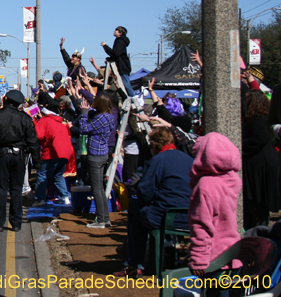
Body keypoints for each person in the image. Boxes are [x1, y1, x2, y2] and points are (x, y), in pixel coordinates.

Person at [114, 127, 193, 277]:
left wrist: (137, 185)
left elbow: (145, 193)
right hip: (192, 216)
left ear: (155, 146)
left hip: (167, 217)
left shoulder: (158, 160)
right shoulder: (189, 159)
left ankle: (132, 264)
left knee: (136, 207)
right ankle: (151, 258)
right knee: (144, 210)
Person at [0, 90, 39, 232]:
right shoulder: (25, 119)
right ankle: (16, 223)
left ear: (5, 100)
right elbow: (33, 142)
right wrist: (36, 160)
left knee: (1, 190)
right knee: (16, 190)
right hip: (18, 157)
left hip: (0, 156)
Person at [187, 133, 241, 276]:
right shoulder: (233, 179)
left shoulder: (206, 185)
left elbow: (202, 224)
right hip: (232, 252)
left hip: (213, 257)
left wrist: (199, 257)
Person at [74, 91, 117, 228]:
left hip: (95, 154)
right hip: (103, 153)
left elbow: (84, 129)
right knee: (101, 188)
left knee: (96, 189)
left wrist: (83, 114)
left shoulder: (100, 119)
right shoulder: (109, 116)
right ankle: (105, 218)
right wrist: (87, 109)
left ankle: (101, 220)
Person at [242, 89, 280, 230]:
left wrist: (238, 144)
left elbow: (259, 139)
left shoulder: (259, 121)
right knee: (255, 208)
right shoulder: (258, 120)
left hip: (259, 170)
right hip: (258, 167)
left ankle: (259, 235)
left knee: (258, 207)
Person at [32, 108, 73, 207]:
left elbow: (38, 135)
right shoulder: (59, 122)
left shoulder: (44, 121)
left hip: (52, 151)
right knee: (58, 175)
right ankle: (65, 197)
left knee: (42, 175)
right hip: (66, 151)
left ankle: (40, 199)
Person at [101, 26, 133, 96]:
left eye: (116, 30)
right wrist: (110, 59)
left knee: (126, 84)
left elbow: (116, 53)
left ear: (120, 33)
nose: (114, 31)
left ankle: (134, 98)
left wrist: (105, 46)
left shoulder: (120, 41)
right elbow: (117, 55)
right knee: (123, 84)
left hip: (123, 66)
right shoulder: (120, 41)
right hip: (122, 65)